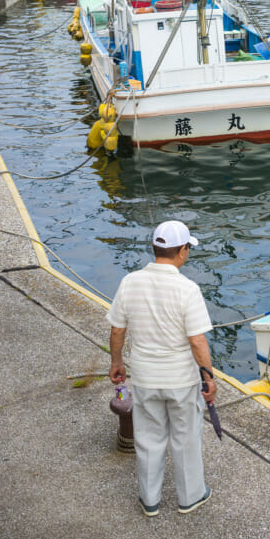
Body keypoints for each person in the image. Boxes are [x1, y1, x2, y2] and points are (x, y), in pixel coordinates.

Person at [108, 220, 216, 518]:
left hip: (144, 376)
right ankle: (190, 497)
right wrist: (208, 376)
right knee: (185, 438)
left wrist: (117, 362)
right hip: (180, 379)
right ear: (182, 251)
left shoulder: (130, 282)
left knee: (148, 437)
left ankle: (150, 500)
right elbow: (197, 341)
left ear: (155, 248)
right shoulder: (187, 288)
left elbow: (118, 330)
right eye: (187, 249)